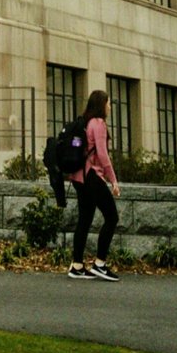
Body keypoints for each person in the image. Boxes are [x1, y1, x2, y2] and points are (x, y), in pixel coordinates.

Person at [66, 88, 121, 281]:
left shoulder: (87, 122)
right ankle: (100, 263)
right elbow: (103, 155)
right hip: (90, 177)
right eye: (108, 103)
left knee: (85, 219)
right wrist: (113, 180)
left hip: (79, 178)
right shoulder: (98, 123)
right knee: (112, 217)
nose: (110, 107)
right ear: (101, 105)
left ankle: (77, 265)